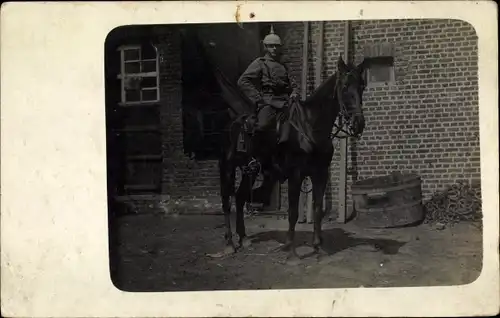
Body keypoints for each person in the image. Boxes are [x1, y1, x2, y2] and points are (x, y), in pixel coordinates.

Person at [237, 26, 299, 176]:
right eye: (271, 46)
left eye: (276, 46)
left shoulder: (284, 65)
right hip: (268, 101)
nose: (274, 49)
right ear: (265, 47)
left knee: (300, 124)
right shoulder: (260, 63)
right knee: (263, 125)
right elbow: (243, 81)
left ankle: (290, 161)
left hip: (286, 102)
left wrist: (295, 93)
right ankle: (255, 159)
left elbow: (294, 84)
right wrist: (258, 98)